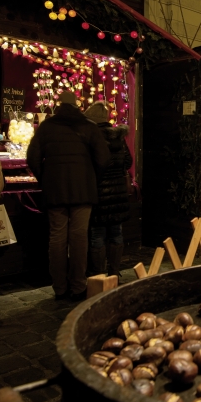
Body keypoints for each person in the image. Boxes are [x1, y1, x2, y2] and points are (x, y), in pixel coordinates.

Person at [27, 91, 109, 300]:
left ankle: (60, 287)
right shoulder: (89, 126)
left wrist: (45, 178)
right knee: (79, 237)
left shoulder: (47, 127)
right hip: (83, 190)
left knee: (57, 237)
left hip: (55, 189)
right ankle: (78, 285)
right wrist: (91, 179)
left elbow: (33, 158)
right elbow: (103, 159)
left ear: (58, 104)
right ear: (77, 105)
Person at [84, 102, 132, 279]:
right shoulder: (118, 137)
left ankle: (98, 274)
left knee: (97, 234)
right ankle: (114, 272)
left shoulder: (90, 138)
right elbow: (128, 162)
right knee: (116, 232)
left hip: (98, 192)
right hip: (118, 192)